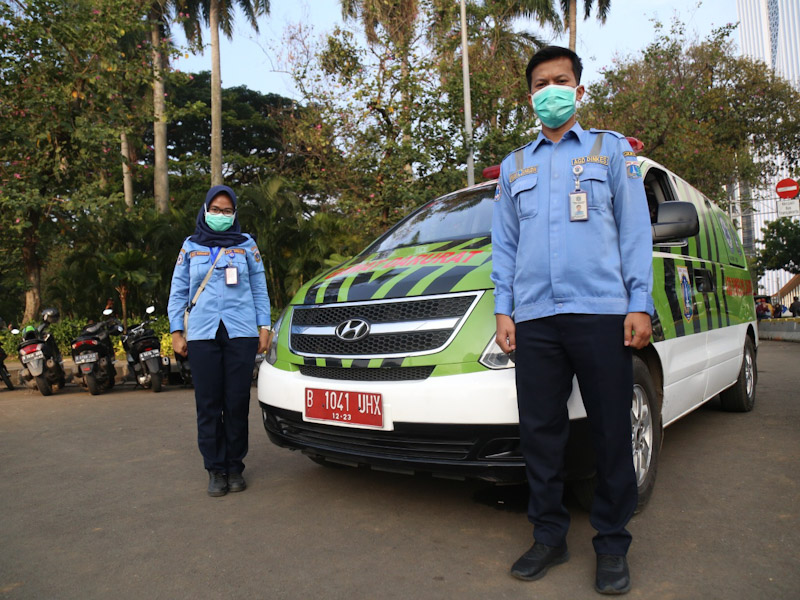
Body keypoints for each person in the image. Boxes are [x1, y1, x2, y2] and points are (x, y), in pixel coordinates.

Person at [491, 46, 653, 595]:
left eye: (561, 81)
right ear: (530, 95)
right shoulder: (515, 165)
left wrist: (639, 303)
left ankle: (611, 544)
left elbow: (634, 233)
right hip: (535, 318)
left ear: (579, 91)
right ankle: (549, 537)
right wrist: (503, 309)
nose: (551, 90)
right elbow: (504, 245)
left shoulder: (612, 153)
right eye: (541, 83)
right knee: (540, 433)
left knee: (610, 429)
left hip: (603, 312)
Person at [168, 185, 271, 497]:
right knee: (209, 403)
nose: (221, 216)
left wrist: (264, 326)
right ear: (205, 211)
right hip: (202, 333)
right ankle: (215, 468)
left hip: (241, 331)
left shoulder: (246, 245)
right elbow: (178, 289)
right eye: (216, 210)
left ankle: (235, 466)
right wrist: (176, 331)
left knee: (237, 402)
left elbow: (259, 286)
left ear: (235, 213)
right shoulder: (190, 246)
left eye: (227, 211)